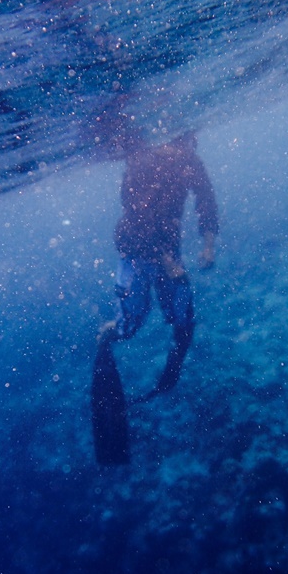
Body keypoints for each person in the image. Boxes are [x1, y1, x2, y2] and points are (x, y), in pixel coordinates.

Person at [91, 130, 218, 463]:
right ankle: (109, 334)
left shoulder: (188, 160)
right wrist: (166, 260)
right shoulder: (149, 161)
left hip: (166, 251)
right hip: (135, 249)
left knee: (183, 319)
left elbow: (206, 199)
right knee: (132, 323)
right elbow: (136, 213)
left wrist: (208, 245)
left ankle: (167, 376)